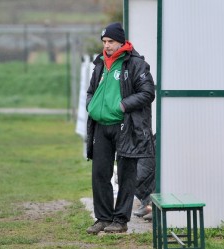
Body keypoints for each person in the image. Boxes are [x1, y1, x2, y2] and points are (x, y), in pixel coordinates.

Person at [86, 22, 155, 234]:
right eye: (104, 42)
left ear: (121, 42)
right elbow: (90, 91)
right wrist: (91, 105)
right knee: (100, 174)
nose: (106, 46)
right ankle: (103, 218)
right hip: (101, 127)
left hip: (126, 127)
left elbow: (148, 92)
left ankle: (121, 220)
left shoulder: (136, 64)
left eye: (111, 42)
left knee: (126, 175)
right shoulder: (99, 63)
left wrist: (122, 105)